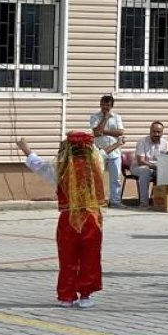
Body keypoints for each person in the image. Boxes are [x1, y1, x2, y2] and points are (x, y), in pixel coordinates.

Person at [19, 132, 107, 309]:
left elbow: (39, 166)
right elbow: (102, 154)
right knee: (89, 258)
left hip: (68, 219)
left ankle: (66, 296)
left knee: (68, 258)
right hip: (91, 218)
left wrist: (27, 150)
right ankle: (85, 296)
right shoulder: (96, 165)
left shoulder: (60, 168)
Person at [90, 95, 126, 208]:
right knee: (97, 177)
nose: (105, 107)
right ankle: (97, 200)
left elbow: (120, 132)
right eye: (103, 104)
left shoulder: (117, 117)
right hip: (99, 151)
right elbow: (96, 132)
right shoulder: (95, 116)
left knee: (115, 178)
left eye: (108, 105)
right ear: (100, 104)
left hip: (115, 152)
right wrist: (105, 118)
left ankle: (115, 201)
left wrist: (103, 131)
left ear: (111, 106)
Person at [130, 122, 168, 207]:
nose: (156, 134)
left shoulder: (165, 143)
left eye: (159, 132)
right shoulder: (142, 142)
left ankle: (159, 201)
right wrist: (154, 167)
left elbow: (165, 159)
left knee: (166, 173)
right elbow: (140, 161)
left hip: (155, 168)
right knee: (145, 171)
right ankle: (144, 203)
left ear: (162, 132)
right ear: (150, 131)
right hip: (138, 167)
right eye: (154, 131)